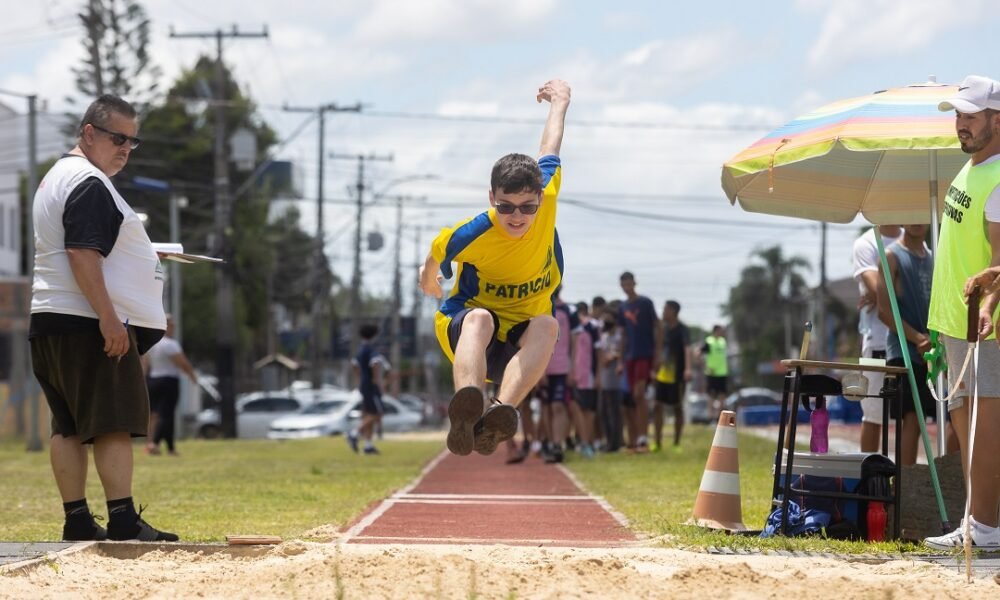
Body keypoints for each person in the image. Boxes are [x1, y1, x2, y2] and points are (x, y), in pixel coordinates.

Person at [29, 94, 178, 542]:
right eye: (118, 138)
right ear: (89, 133)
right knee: (113, 422)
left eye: (132, 141)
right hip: (86, 323)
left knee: (68, 426)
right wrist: (109, 319)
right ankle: (123, 519)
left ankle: (77, 519)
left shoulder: (56, 177)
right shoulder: (89, 182)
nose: (125, 149)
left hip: (51, 318)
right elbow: (82, 252)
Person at [419, 79, 571, 457]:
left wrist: (560, 102)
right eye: (506, 207)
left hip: (517, 340)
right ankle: (467, 408)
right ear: (492, 198)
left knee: (549, 325)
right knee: (480, 318)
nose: (516, 216)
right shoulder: (474, 233)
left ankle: (496, 415)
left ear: (541, 198)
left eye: (527, 207)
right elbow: (437, 251)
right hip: (468, 334)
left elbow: (550, 146)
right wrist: (427, 278)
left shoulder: (548, 195)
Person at [924, 75, 1000, 551]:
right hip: (954, 321)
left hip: (985, 326)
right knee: (963, 422)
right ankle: (975, 521)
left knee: (984, 425)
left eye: (970, 116)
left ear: (998, 120)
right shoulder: (970, 169)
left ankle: (986, 528)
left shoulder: (998, 177)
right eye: (957, 115)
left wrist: (989, 303)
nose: (960, 124)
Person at [875, 224, 935, 466]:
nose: (916, 222)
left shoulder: (934, 257)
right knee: (912, 419)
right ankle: (904, 482)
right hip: (904, 352)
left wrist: (935, 340)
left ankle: (948, 480)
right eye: (910, 217)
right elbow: (883, 311)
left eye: (920, 216)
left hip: (934, 352)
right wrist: (918, 338)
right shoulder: (891, 256)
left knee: (951, 417)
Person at [852, 224, 902, 452]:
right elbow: (876, 291)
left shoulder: (914, 237)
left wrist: (884, 289)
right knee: (873, 414)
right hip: (877, 343)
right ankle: (868, 471)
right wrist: (883, 291)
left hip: (911, 340)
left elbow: (882, 293)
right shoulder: (866, 243)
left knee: (910, 416)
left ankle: (907, 472)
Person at [143, 315, 197, 456]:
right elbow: (182, 362)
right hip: (168, 380)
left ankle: (169, 447)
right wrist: (191, 375)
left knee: (156, 414)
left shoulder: (152, 344)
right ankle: (154, 443)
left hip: (153, 379)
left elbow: (146, 364)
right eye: (171, 326)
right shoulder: (170, 344)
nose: (173, 329)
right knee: (166, 414)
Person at [617, 271, 658, 452]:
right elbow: (623, 334)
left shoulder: (645, 303)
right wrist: (620, 360)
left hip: (644, 354)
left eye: (629, 284)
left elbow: (657, 327)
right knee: (631, 399)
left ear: (635, 283)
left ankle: (643, 438)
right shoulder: (623, 307)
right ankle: (634, 439)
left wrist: (657, 354)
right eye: (624, 285)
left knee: (639, 395)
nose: (627, 287)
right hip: (629, 357)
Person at [653, 300, 692, 452]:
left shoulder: (682, 329)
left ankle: (676, 442)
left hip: (677, 375)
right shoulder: (662, 329)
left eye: (665, 309)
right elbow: (658, 348)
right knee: (657, 405)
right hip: (662, 374)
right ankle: (657, 442)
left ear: (673, 311)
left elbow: (687, 348)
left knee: (677, 407)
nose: (663, 312)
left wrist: (688, 368)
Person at [349, 324, 388, 455]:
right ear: (374, 336)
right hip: (371, 386)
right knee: (378, 413)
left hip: (364, 384)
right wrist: (378, 382)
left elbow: (354, 364)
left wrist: (360, 378)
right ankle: (354, 434)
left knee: (368, 414)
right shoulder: (371, 349)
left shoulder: (360, 349)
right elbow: (374, 364)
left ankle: (368, 446)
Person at [570, 301, 600, 458]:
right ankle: (583, 442)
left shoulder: (592, 326)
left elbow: (599, 351)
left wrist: (598, 375)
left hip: (588, 376)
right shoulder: (571, 326)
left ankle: (587, 443)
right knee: (577, 408)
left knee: (588, 410)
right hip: (573, 375)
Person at [597, 310, 624, 452]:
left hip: (616, 382)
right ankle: (608, 441)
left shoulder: (620, 336)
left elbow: (620, 354)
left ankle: (616, 443)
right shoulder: (604, 336)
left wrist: (613, 357)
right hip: (605, 380)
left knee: (615, 413)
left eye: (608, 319)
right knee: (604, 412)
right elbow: (603, 358)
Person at [702, 325, 728, 418]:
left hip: (722, 372)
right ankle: (710, 417)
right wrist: (706, 366)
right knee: (711, 395)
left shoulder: (723, 341)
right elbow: (698, 353)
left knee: (722, 395)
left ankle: (719, 417)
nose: (721, 333)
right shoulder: (709, 342)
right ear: (715, 331)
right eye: (719, 331)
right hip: (712, 373)